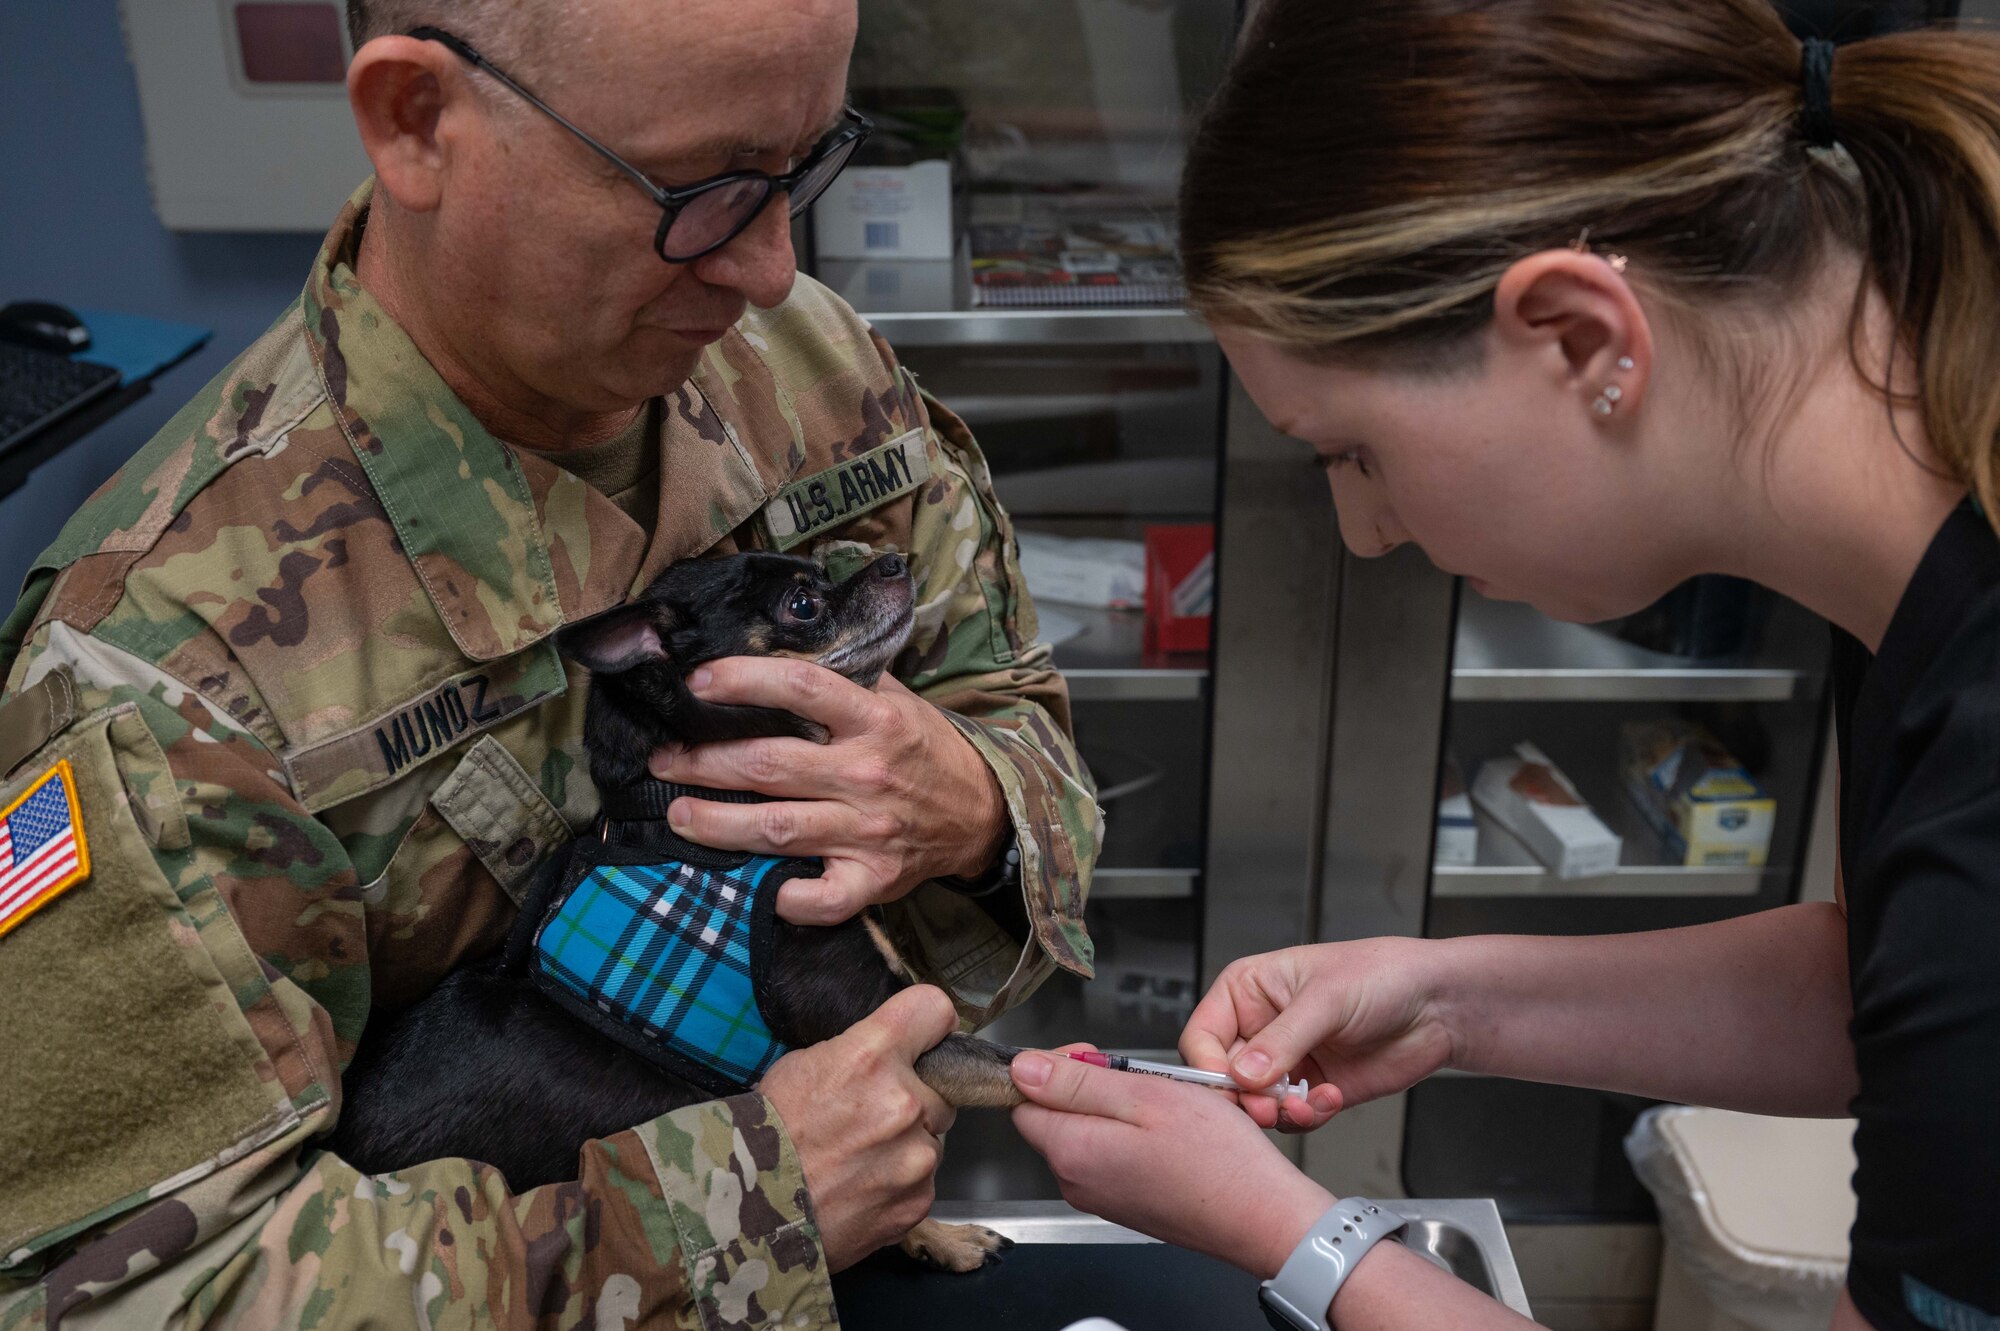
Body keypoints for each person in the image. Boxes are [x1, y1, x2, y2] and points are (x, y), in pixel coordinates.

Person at [0, 0, 1101, 1326]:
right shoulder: (161, 669)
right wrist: (732, 1212)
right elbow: (140, 1296)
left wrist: (973, 808)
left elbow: (1015, 716)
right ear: (419, 122)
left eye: (808, 164)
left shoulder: (805, 369)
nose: (769, 267)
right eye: (703, 191)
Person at [1009, 2, 2000, 1330]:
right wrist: (1451, 1001)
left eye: (1352, 453)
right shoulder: (1936, 519)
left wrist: (1307, 1241)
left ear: (1583, 337)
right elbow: (1896, 1000)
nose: (1365, 535)